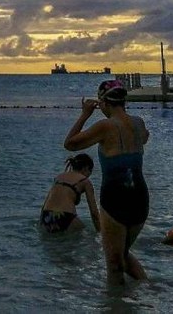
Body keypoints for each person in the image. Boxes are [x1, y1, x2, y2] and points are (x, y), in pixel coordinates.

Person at [63, 79, 149, 285]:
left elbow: (70, 144)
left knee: (114, 265)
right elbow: (145, 137)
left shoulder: (105, 125)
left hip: (115, 197)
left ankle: (115, 301)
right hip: (140, 197)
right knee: (122, 255)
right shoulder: (138, 123)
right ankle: (147, 292)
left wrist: (85, 114)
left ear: (103, 103)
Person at [39, 154, 101, 234]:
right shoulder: (85, 181)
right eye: (90, 171)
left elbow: (45, 203)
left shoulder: (59, 177)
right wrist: (101, 233)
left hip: (46, 215)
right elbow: (94, 213)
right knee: (86, 235)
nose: (89, 175)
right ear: (86, 168)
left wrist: (41, 221)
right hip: (66, 216)